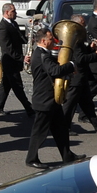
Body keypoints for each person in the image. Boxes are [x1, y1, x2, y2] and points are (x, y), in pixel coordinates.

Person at [26, 26, 78, 170]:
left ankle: (67, 155)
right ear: (43, 41)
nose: (53, 41)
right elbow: (54, 71)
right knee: (39, 133)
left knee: (61, 129)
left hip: (51, 100)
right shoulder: (42, 55)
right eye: (50, 39)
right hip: (45, 101)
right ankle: (31, 159)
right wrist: (71, 65)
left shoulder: (42, 53)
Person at [0, 2, 30, 115]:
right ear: (7, 12)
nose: (16, 13)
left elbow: (20, 39)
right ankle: (29, 108)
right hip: (9, 62)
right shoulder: (2, 28)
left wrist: (31, 34)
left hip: (14, 62)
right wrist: (22, 58)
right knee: (18, 86)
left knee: (6, 85)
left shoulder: (13, 23)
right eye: (13, 11)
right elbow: (8, 49)